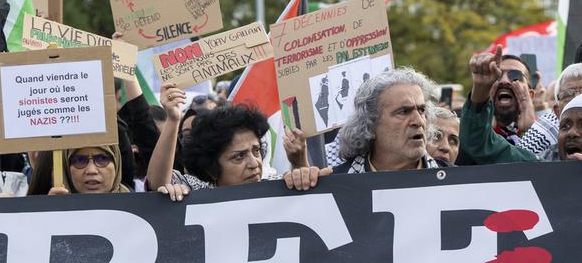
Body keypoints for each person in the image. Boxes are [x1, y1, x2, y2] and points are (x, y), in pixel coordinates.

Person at [148, 83, 328, 192]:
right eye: (239, 156)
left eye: (256, 151)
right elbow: (158, 182)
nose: (254, 163)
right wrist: (173, 119)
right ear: (211, 169)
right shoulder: (197, 193)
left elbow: (302, 193)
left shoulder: (277, 186)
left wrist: (301, 168)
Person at [462, 62, 582, 163]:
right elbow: (479, 143)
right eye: (565, 126)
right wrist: (481, 91)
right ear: (557, 113)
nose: (572, 133)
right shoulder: (539, 166)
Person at [333, 67, 451, 173]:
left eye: (421, 110)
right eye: (404, 111)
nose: (419, 121)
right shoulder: (333, 185)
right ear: (370, 125)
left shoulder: (457, 183)